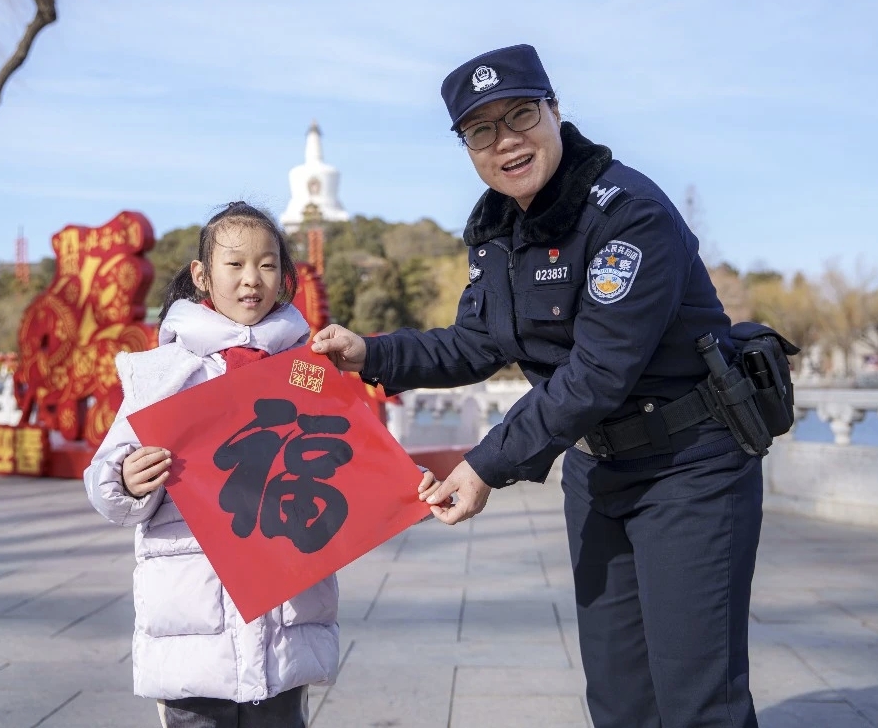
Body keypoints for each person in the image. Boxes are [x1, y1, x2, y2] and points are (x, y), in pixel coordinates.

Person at [311, 44, 763, 728]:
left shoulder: (628, 212)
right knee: (618, 697)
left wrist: (487, 462)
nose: (506, 141)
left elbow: (597, 371)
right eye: (481, 130)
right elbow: (474, 341)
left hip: (689, 466)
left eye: (521, 114)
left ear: (556, 110)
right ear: (466, 145)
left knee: (698, 701)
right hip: (597, 470)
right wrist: (368, 353)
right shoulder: (498, 231)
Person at [85, 201, 435, 728]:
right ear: (202, 276)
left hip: (284, 621)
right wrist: (126, 480)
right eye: (235, 264)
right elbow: (105, 475)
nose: (253, 279)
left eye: (268, 265)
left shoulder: (306, 369)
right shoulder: (163, 375)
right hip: (193, 625)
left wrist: (407, 490)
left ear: (285, 276)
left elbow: (353, 459)